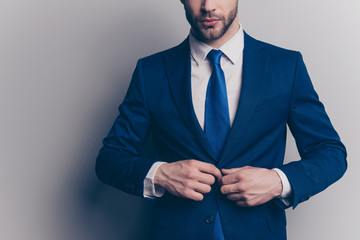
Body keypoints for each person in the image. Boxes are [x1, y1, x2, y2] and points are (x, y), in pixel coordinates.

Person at [95, 0, 347, 239]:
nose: (208, 6)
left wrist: (277, 181)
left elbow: (331, 153)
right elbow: (110, 159)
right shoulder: (151, 71)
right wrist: (161, 174)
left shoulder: (285, 66)